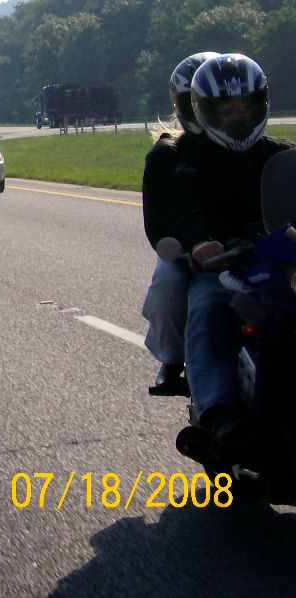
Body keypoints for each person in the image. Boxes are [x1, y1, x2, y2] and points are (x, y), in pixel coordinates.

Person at [169, 54, 294, 460]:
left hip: (280, 263)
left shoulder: (282, 156)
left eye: (244, 107)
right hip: (224, 267)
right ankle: (218, 413)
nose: (237, 117)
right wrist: (201, 241)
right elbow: (183, 211)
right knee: (207, 307)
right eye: (226, 109)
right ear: (206, 110)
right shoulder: (189, 161)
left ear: (260, 106)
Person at [142, 52, 218, 394]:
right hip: (188, 250)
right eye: (194, 103)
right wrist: (190, 243)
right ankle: (172, 358)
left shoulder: (250, 149)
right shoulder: (169, 154)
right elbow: (159, 222)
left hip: (246, 243)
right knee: (167, 284)